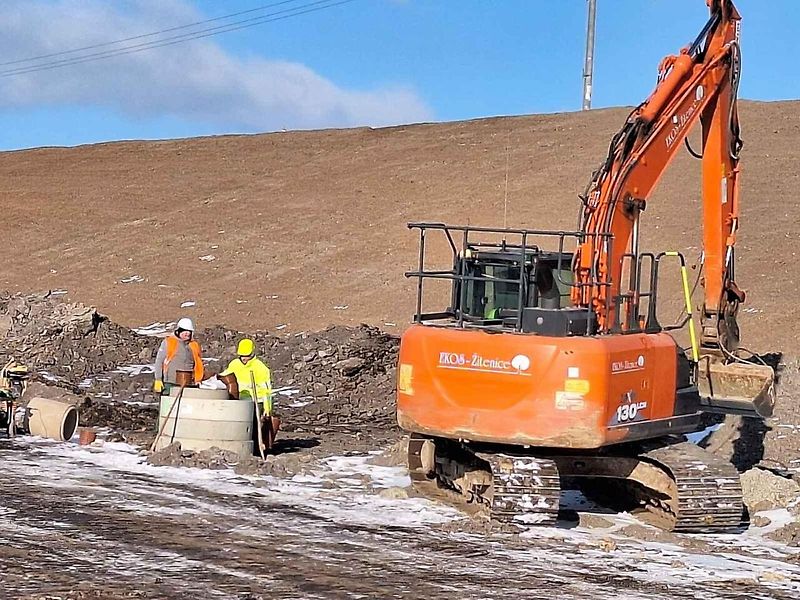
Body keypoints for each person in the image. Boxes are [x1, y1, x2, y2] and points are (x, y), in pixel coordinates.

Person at [220, 338, 273, 415]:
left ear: (252, 353)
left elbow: (266, 391)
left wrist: (267, 409)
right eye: (242, 356)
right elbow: (224, 378)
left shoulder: (260, 368)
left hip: (256, 403)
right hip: (239, 401)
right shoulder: (234, 365)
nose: (244, 358)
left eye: (247, 356)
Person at [153, 317, 204, 395]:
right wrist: (158, 379)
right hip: (170, 382)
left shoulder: (194, 345)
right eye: (184, 331)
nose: (187, 333)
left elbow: (198, 364)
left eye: (189, 331)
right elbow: (159, 361)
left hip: (189, 383)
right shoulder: (169, 342)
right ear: (178, 331)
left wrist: (198, 379)